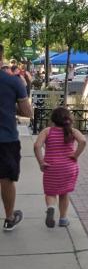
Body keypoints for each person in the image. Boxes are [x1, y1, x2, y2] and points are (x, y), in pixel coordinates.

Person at [33, 106, 86, 228]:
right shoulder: (72, 131)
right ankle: (63, 219)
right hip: (68, 167)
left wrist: (41, 162)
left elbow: (37, 146)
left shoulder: (47, 131)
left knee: (51, 193)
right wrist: (76, 155)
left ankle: (51, 208)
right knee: (64, 193)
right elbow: (83, 141)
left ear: (53, 119)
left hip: (51, 167)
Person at [1, 44, 33, 231]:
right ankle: (9, 217)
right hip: (6, 138)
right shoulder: (13, 82)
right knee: (6, 178)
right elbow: (27, 112)